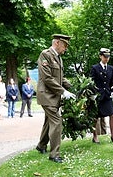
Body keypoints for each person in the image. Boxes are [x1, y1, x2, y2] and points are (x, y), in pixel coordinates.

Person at [36, 34, 76, 163]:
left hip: (54, 96)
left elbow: (60, 78)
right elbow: (47, 78)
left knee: (49, 122)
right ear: (57, 43)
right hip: (47, 95)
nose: (66, 49)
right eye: (65, 45)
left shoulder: (59, 58)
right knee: (57, 121)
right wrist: (63, 92)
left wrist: (74, 87)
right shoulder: (45, 54)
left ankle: (41, 146)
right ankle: (54, 154)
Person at [90, 47, 113, 144]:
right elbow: (91, 82)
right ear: (100, 56)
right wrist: (93, 92)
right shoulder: (95, 68)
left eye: (108, 57)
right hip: (98, 95)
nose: (106, 58)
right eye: (104, 56)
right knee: (96, 117)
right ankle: (95, 136)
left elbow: (112, 82)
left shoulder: (111, 68)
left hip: (107, 95)